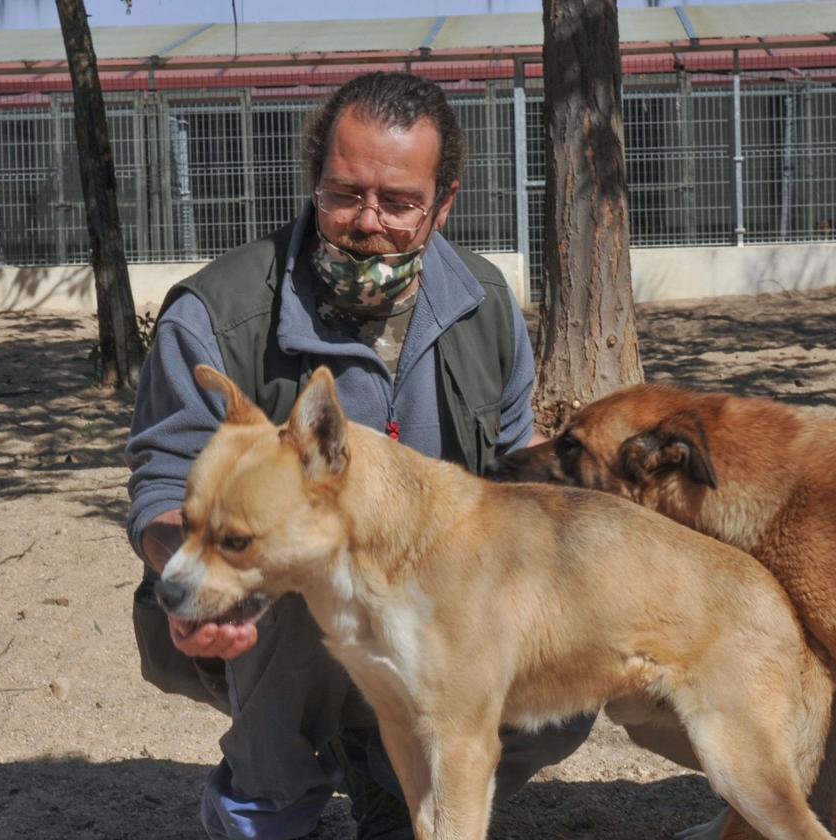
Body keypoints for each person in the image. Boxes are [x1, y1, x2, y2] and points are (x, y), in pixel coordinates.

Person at [126, 71, 594, 840]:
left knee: (562, 669)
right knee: (304, 565)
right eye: (344, 193)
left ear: (443, 204)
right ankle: (267, 804)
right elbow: (161, 487)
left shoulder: (484, 303)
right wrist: (195, 573)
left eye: (399, 202)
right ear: (314, 181)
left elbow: (515, 466)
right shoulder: (216, 314)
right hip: (273, 628)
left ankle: (393, 786)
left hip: (431, 612)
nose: (366, 221)